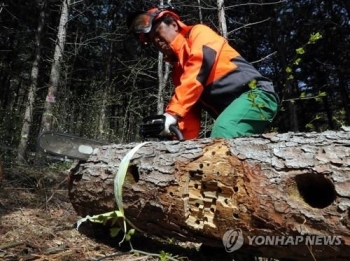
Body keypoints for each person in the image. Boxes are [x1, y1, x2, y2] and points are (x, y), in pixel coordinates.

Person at [127, 6, 279, 140]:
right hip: (231, 111)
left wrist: (172, 113)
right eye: (153, 39)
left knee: (223, 133)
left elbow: (199, 66)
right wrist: (181, 144)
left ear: (174, 25)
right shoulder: (179, 71)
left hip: (256, 96)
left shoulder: (199, 33)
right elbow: (188, 113)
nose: (157, 41)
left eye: (158, 33)